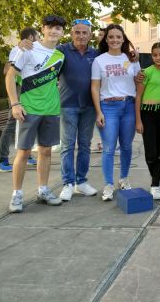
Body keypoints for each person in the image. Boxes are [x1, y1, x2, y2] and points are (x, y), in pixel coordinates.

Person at [6, 15, 67, 213]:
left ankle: (43, 190)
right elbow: (10, 76)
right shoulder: (27, 49)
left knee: (46, 152)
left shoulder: (60, 56)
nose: (54, 31)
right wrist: (15, 104)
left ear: (62, 32)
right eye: (50, 27)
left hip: (51, 110)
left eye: (58, 28)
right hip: (29, 109)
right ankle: (17, 194)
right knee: (23, 152)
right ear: (42, 29)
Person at [91, 24, 140, 202]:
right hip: (108, 107)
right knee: (109, 148)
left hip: (128, 106)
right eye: (111, 37)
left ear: (123, 39)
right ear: (106, 39)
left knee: (127, 147)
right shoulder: (100, 61)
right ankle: (109, 185)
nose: (114, 40)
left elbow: (138, 83)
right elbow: (95, 87)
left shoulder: (131, 60)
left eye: (118, 37)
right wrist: (98, 112)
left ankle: (124, 179)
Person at [57, 19, 100, 201]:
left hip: (89, 106)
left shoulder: (96, 54)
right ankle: (67, 183)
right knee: (67, 146)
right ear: (71, 34)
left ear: (90, 35)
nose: (81, 36)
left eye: (84, 33)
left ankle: (81, 182)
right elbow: (41, 55)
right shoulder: (61, 51)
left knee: (84, 145)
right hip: (68, 105)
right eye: (77, 32)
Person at [0, 27, 39, 172]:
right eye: (37, 35)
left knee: (28, 122)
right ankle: (2, 160)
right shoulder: (18, 50)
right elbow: (7, 71)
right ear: (31, 37)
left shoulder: (30, 50)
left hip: (27, 91)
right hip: (18, 91)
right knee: (12, 124)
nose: (38, 38)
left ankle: (26, 154)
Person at [135, 42, 160, 200]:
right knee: (151, 152)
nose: (158, 58)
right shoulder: (146, 73)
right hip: (147, 114)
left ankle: (155, 184)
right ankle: (155, 179)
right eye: (155, 55)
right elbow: (138, 97)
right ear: (151, 56)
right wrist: (138, 120)